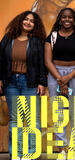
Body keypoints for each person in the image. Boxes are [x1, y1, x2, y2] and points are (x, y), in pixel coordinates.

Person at [0, 11, 47, 159]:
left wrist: (42, 82)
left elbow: (42, 63)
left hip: (30, 82)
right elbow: (0, 60)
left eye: (32, 21)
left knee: (33, 119)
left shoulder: (37, 41)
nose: (28, 22)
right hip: (11, 82)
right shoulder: (8, 39)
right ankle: (17, 154)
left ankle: (32, 153)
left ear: (35, 25)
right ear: (20, 21)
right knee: (15, 119)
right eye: (26, 19)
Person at [44, 8, 75, 160]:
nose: (67, 19)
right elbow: (47, 61)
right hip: (55, 73)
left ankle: (73, 150)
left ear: (74, 19)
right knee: (58, 113)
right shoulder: (52, 37)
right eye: (64, 17)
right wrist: (60, 78)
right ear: (60, 19)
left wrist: (68, 77)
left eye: (70, 17)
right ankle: (62, 149)